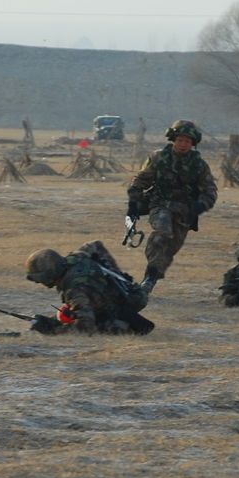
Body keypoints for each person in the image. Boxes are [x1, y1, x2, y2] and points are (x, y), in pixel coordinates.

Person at [126, 119, 218, 293]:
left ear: (193, 144)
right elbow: (141, 180)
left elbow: (210, 191)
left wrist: (198, 207)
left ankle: (152, 276)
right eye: (180, 140)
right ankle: (149, 279)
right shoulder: (159, 158)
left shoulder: (199, 165)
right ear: (173, 139)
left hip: (184, 212)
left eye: (187, 141)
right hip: (159, 204)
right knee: (162, 233)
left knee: (169, 251)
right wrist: (133, 204)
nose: (183, 144)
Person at [23, 240, 154, 335]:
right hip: (127, 293)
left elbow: (85, 326)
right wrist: (117, 274)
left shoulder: (75, 290)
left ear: (48, 275)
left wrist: (51, 330)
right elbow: (95, 245)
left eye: (40, 280)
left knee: (105, 327)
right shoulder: (76, 257)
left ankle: (128, 326)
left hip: (122, 309)